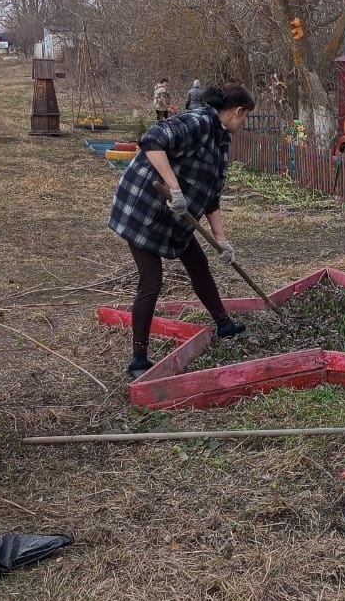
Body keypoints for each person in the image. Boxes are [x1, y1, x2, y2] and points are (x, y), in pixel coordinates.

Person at [109, 83, 254, 379]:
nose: (244, 123)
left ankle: (224, 324)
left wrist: (222, 240)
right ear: (238, 111)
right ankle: (138, 359)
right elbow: (151, 141)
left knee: (199, 264)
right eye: (246, 117)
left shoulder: (222, 140)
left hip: (177, 216)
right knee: (151, 280)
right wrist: (174, 188)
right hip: (144, 209)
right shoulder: (198, 121)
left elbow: (211, 194)